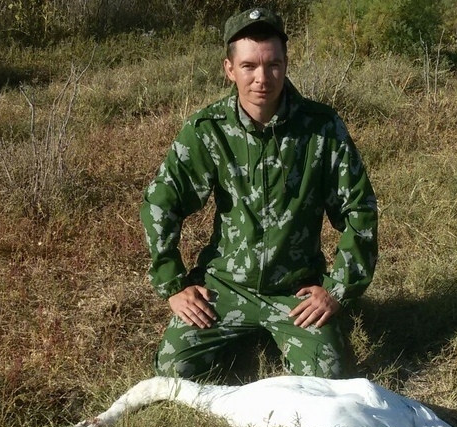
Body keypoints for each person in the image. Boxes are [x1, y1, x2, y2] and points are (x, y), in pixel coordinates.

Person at [142, 7, 378, 379]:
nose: (262, 78)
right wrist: (173, 284)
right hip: (224, 287)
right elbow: (162, 201)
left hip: (295, 291)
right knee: (174, 370)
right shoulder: (208, 130)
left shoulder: (321, 127)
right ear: (229, 69)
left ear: (285, 64)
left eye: (273, 65)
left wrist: (337, 289)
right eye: (249, 66)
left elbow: (358, 207)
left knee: (327, 376)